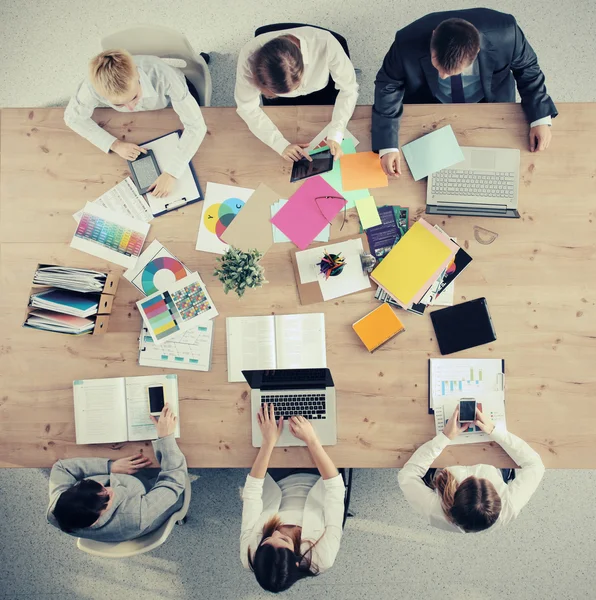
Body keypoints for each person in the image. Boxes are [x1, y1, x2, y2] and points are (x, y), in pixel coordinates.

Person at [372, 9, 558, 178]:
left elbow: (528, 69)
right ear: (434, 37)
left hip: (490, 101)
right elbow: (388, 84)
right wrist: (387, 145)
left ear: (476, 51)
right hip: (430, 101)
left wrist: (540, 118)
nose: (443, 76)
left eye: (452, 72)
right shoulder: (406, 41)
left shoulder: (508, 33)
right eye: (437, 65)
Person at [64, 49, 207, 197]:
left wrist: (172, 173)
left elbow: (196, 126)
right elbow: (72, 118)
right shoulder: (91, 87)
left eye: (134, 97)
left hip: (172, 98)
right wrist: (114, 144)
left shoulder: (165, 76)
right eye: (119, 104)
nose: (131, 108)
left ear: (137, 75)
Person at [240, 404, 345, 593]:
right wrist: (311, 440)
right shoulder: (322, 557)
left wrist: (268, 441)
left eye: (268, 539)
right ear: (297, 561)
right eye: (284, 541)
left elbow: (252, 493)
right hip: (321, 478)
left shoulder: (250, 554)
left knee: (273, 419)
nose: (277, 533)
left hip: (278, 478)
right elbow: (335, 491)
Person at [47, 404, 187, 542]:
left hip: (131, 483)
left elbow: (61, 468)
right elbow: (173, 482)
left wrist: (110, 467)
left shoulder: (56, 510)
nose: (110, 490)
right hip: (147, 502)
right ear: (93, 523)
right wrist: (166, 437)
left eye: (100, 486)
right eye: (106, 499)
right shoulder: (137, 516)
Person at [398, 406, 545, 533]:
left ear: (455, 495)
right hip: (493, 460)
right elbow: (535, 465)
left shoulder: (432, 509)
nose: (477, 469)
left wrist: (445, 437)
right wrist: (495, 431)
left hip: (443, 468)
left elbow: (407, 475)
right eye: (484, 478)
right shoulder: (509, 507)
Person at [235, 26, 359, 163]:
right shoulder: (248, 58)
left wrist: (336, 132)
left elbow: (349, 88)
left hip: (321, 91)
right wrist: (280, 144)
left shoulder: (326, 43)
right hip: (279, 101)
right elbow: (246, 107)